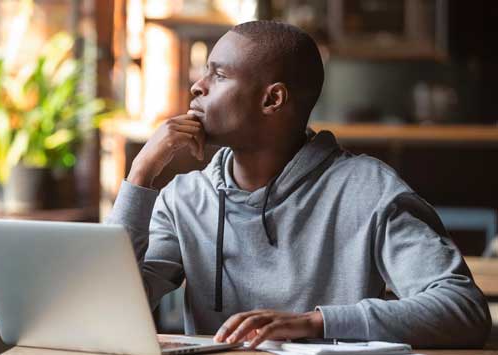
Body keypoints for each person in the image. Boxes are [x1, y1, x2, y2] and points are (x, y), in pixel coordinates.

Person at [106, 21, 491, 348]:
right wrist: (140, 174)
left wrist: (316, 322)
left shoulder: (367, 189)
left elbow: (463, 309)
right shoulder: (184, 198)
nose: (197, 86)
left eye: (219, 75)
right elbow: (107, 306)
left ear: (273, 99)